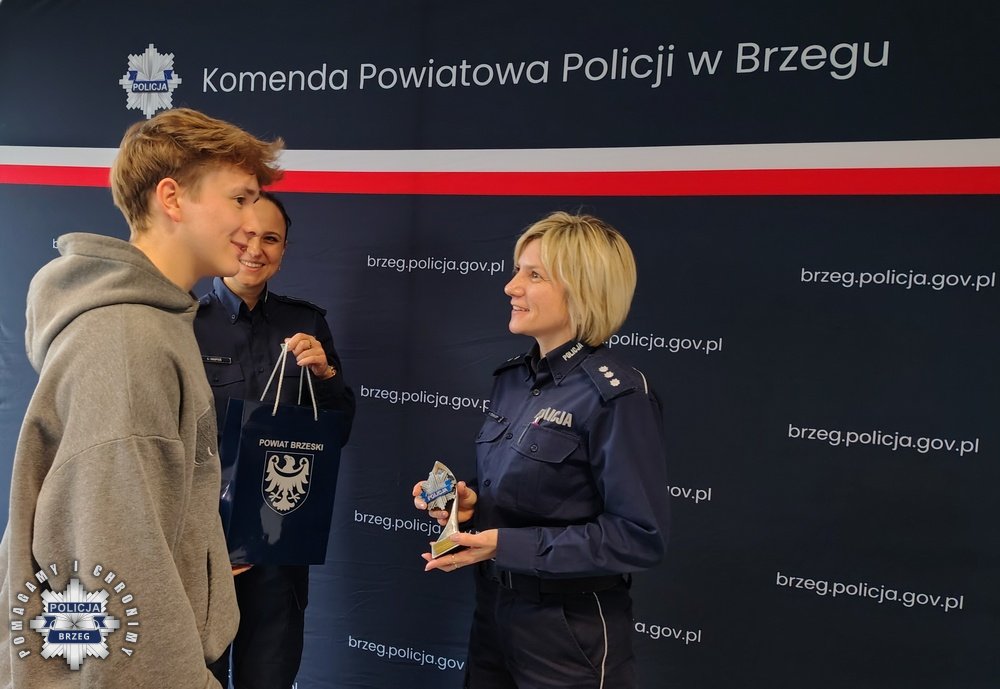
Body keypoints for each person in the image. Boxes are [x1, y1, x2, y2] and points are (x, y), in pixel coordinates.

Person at [0, 107, 282, 688]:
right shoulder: (129, 343)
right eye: (239, 199)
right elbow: (115, 571)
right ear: (171, 198)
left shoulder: (155, 324)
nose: (251, 221)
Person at [413, 211, 670, 689]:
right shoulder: (512, 380)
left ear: (583, 289)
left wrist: (505, 545)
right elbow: (527, 493)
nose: (511, 287)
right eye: (518, 271)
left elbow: (638, 536)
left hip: (568, 631)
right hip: (494, 614)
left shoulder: (617, 396)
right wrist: (469, 506)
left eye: (534, 275)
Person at [194, 191, 355, 689]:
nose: (255, 249)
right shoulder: (185, 322)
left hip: (278, 541)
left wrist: (324, 374)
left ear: (284, 250)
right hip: (203, 547)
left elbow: (336, 432)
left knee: (270, 678)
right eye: (245, 235)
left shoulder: (306, 323)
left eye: (271, 239)